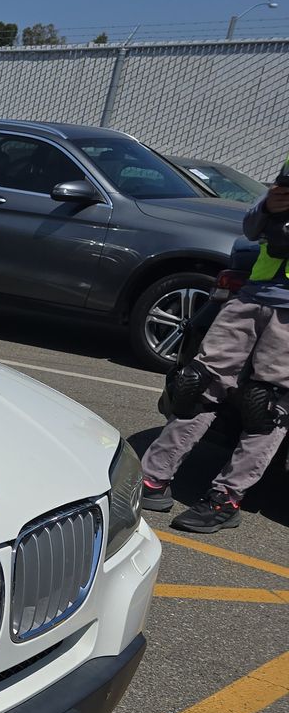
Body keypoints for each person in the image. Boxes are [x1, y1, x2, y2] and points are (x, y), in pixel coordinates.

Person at [140, 170, 289, 532]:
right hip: (251, 295)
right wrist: (268, 206)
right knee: (196, 386)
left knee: (264, 406)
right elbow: (252, 229)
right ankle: (152, 480)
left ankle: (226, 498)